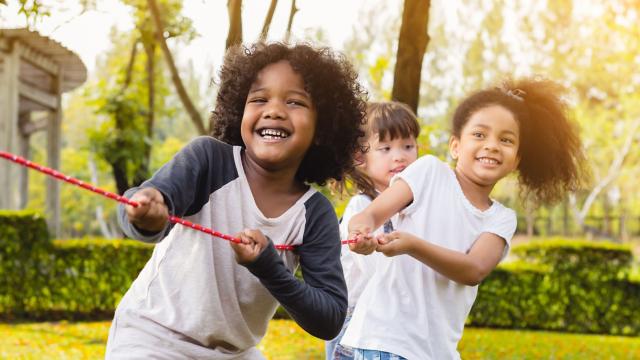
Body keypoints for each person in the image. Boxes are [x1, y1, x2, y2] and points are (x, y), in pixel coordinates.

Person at [105, 42, 367, 359]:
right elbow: (142, 206)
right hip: (153, 338)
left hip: (234, 352)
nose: (274, 110)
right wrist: (143, 213)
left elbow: (329, 317)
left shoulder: (313, 213)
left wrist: (269, 268)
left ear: (322, 128)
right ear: (239, 111)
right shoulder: (209, 161)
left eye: (295, 102)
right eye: (259, 99)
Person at [343, 78, 585, 359]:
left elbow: (473, 270)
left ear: (517, 160)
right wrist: (360, 232)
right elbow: (371, 213)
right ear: (456, 146)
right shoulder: (428, 172)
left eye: (506, 140)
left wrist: (412, 245)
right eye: (480, 135)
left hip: (437, 352)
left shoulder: (501, 218)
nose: (492, 146)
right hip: (384, 339)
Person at [325, 101, 420, 360]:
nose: (400, 156)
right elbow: (380, 271)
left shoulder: (412, 209)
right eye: (386, 148)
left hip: (392, 323)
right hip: (356, 321)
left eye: (408, 146)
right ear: (360, 158)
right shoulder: (362, 206)